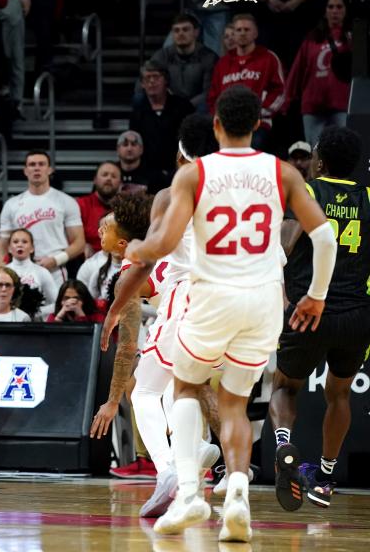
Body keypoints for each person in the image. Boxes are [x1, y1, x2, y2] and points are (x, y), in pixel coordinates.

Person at [126, 86, 335, 542]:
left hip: (214, 296)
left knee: (184, 386)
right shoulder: (282, 172)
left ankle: (188, 494)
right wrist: (316, 294)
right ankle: (237, 490)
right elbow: (324, 236)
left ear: (217, 124)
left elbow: (162, 244)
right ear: (258, 125)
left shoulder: (193, 174)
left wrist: (136, 247)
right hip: (264, 301)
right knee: (235, 402)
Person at [100, 114, 224, 507]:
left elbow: (144, 270)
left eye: (105, 228)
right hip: (231, 299)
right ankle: (199, 451)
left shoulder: (173, 199)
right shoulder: (230, 187)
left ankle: (169, 466)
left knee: (145, 390)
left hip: (189, 296)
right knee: (180, 385)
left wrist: (114, 309)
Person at [269, 126, 370, 511]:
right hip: (357, 313)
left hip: (307, 311)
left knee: (284, 387)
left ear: (319, 160)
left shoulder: (306, 193)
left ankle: (283, 445)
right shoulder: (369, 199)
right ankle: (326, 479)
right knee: (339, 394)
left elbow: (283, 246)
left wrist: (278, 291)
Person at [0, 150, 84, 275]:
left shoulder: (66, 201)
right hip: (21, 270)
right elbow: (2, 247)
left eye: (41, 164)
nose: (37, 168)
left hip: (55, 270)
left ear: (50, 170)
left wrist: (55, 260)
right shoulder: (11, 205)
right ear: (25, 171)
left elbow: (79, 242)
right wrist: (2, 272)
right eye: (32, 165)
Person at [207, 15, 285, 148]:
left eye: (247, 30)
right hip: (227, 126)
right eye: (238, 30)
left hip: (257, 124)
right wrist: (220, 117)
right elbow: (213, 96)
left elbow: (279, 92)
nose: (242, 33)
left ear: (255, 33)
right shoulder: (223, 63)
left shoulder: (268, 58)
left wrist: (258, 113)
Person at [284, 0, 351, 146]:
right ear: (325, 11)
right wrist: (287, 98)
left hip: (342, 104)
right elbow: (297, 69)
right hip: (313, 105)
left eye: (339, 7)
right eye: (331, 7)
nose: (335, 11)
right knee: (315, 154)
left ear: (346, 11)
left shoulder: (352, 37)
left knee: (343, 150)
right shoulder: (312, 38)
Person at [132, 62, 195, 186]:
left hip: (179, 171)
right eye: (147, 78)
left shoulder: (183, 107)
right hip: (147, 174)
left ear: (166, 80)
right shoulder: (138, 110)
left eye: (156, 77)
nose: (151, 82)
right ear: (142, 84)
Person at [148, 14, 218, 112]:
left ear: (196, 32)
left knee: (205, 105)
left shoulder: (209, 57)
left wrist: (186, 105)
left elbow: (209, 91)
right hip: (170, 103)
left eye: (185, 30)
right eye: (176, 30)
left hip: (197, 105)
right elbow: (146, 81)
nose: (180, 33)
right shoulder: (162, 56)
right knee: (139, 98)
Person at [5, 228, 59, 318]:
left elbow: (57, 303)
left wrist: (36, 311)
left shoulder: (42, 272)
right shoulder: (3, 272)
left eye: (24, 242)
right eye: (15, 242)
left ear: (32, 248)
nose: (20, 245)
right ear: (9, 249)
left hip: (35, 324)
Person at [76, 161, 122, 254]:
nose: (109, 178)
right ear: (95, 180)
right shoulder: (81, 204)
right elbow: (71, 238)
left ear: (120, 183)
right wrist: (83, 245)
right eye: (105, 175)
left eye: (113, 176)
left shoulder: (126, 208)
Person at [115, 130, 158, 194]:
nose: (129, 149)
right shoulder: (110, 172)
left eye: (134, 144)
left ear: (141, 149)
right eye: (125, 144)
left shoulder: (155, 176)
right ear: (118, 149)